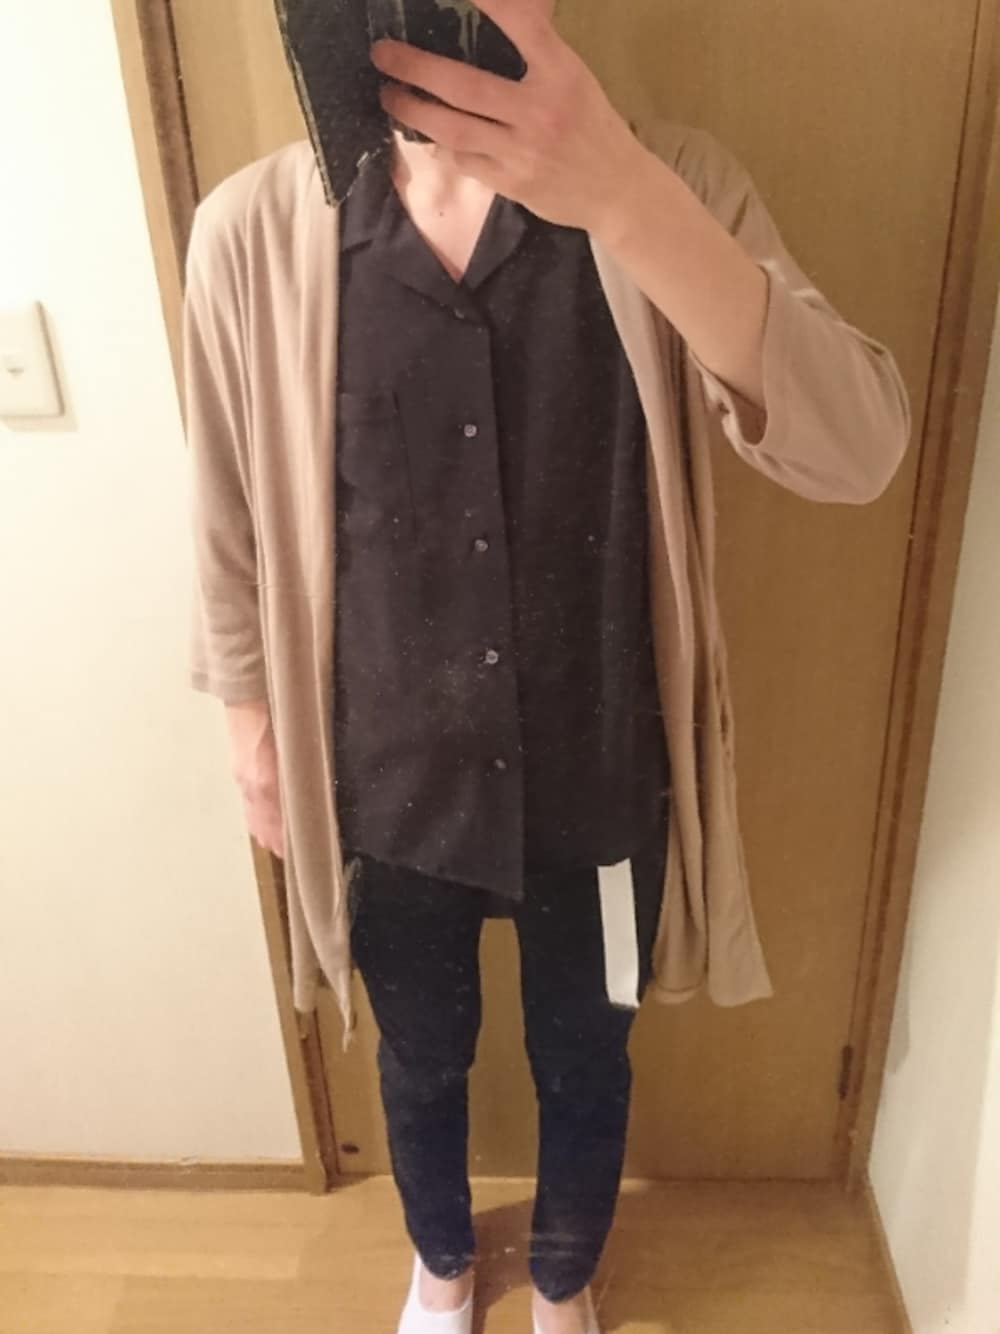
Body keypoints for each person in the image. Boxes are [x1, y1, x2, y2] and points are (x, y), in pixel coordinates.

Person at [185, 2, 911, 1331]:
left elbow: (858, 448)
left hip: (602, 776)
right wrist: (247, 720)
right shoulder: (255, 232)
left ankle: (566, 1275)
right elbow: (228, 502)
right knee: (418, 1057)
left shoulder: (672, 185)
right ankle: (442, 1263)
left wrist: (625, 195)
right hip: (388, 784)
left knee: (590, 1049)